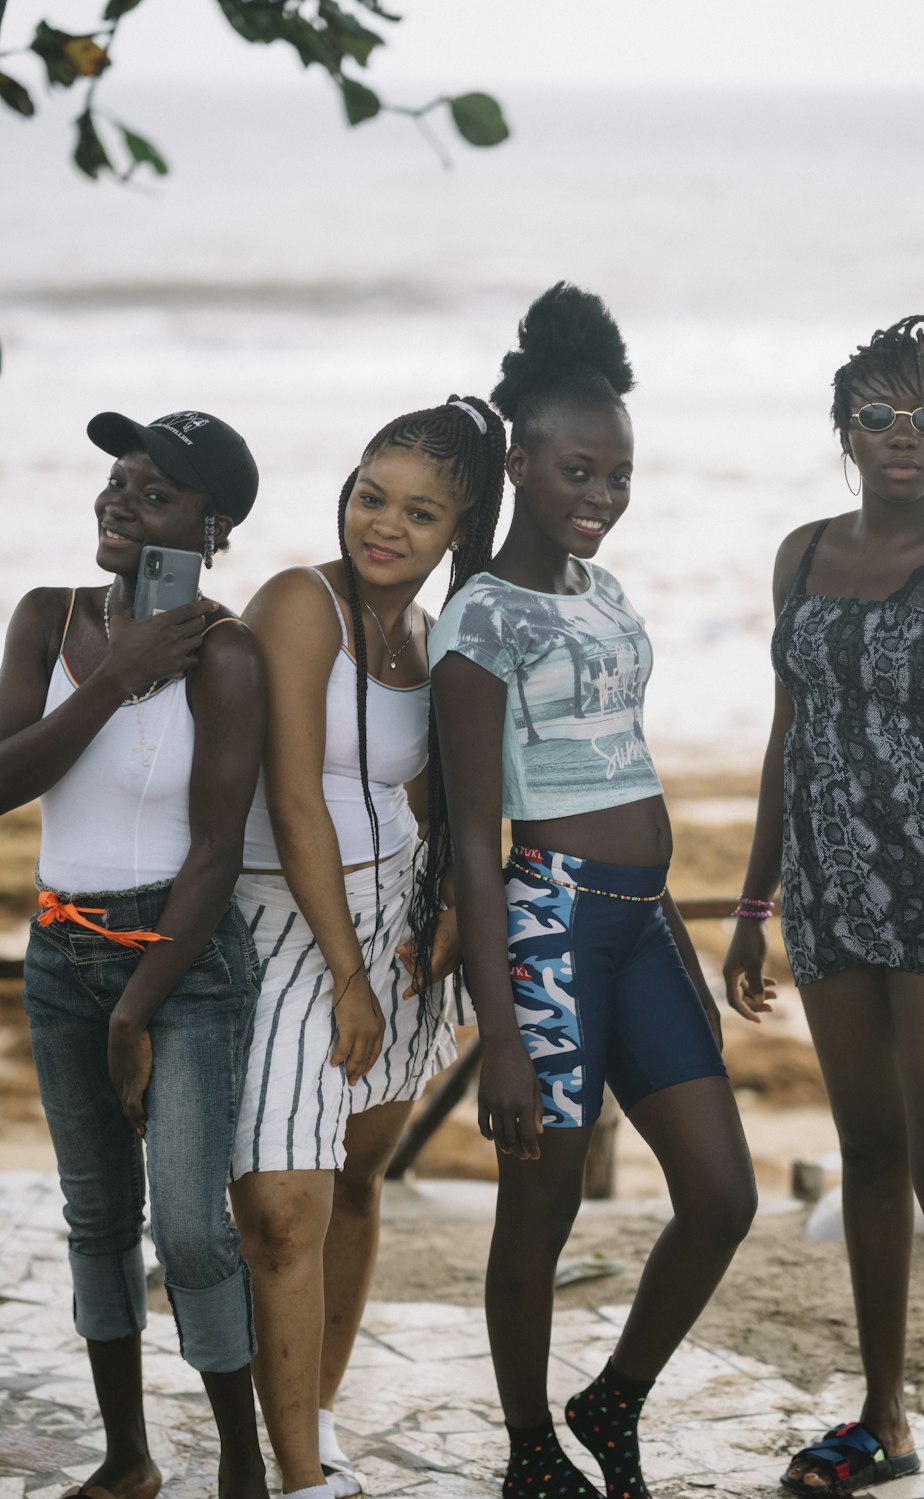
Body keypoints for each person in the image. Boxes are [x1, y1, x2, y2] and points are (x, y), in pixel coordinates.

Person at [428, 283, 759, 1499]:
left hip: (640, 925)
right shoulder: (479, 620)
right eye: (577, 471)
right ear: (519, 461)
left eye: (617, 477)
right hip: (551, 928)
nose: (601, 499)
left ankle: (609, 1400)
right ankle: (528, 1449)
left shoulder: (602, 595)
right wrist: (499, 1035)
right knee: (543, 1205)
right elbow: (474, 840)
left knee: (723, 1194)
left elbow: (626, 760)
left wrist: (670, 928)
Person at [723, 317, 924, 1499]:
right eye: (881, 415)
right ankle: (884, 1419)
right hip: (830, 893)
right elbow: (791, 733)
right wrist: (753, 899)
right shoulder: (797, 555)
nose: (905, 436)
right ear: (845, 430)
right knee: (870, 1150)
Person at [228, 394, 506, 1499]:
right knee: (278, 1204)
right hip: (287, 925)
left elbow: (433, 799)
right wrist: (345, 975)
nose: (383, 524)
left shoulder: (429, 638)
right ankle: (299, 1477)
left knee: (354, 1175)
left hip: (393, 924)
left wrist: (439, 914)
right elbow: (293, 800)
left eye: (420, 512)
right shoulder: (301, 603)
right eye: (369, 495)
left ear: (457, 529)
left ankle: (320, 1413)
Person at [0, 410, 268, 1499]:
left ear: (212, 527)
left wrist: (135, 1011)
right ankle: (129, 1456)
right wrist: (114, 674)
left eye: (154, 494)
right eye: (119, 478)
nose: (120, 501)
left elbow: (215, 853)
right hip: (64, 949)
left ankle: (243, 1470)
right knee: (98, 1217)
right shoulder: (45, 616)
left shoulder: (232, 653)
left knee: (195, 1229)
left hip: (185, 964)